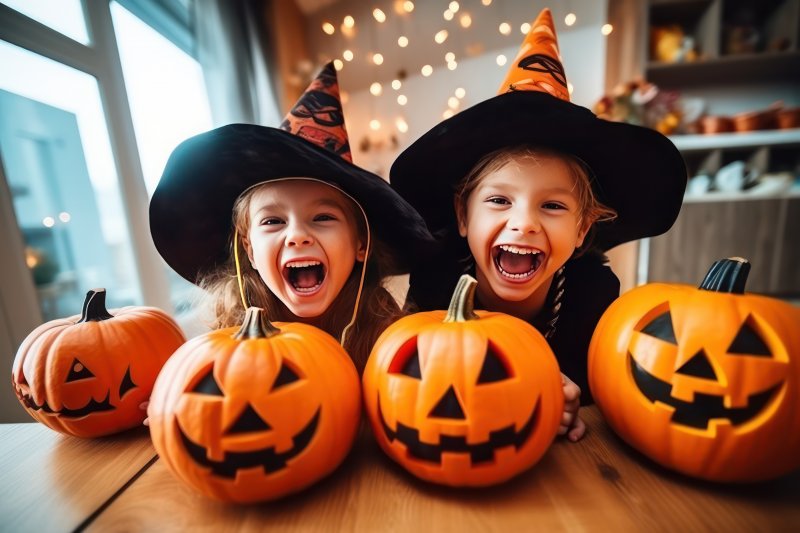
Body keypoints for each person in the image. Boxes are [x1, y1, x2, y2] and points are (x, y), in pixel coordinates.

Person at [390, 9, 686, 441]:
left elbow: (601, 382)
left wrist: (572, 393)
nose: (523, 223)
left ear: (583, 229)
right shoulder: (436, 281)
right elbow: (412, 372)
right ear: (462, 216)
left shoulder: (593, 293)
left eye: (552, 206)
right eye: (498, 201)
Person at [149, 62, 435, 374]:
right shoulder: (227, 346)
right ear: (250, 250)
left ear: (360, 244)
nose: (298, 235)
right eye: (273, 221)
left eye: (323, 217)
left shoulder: (390, 337)